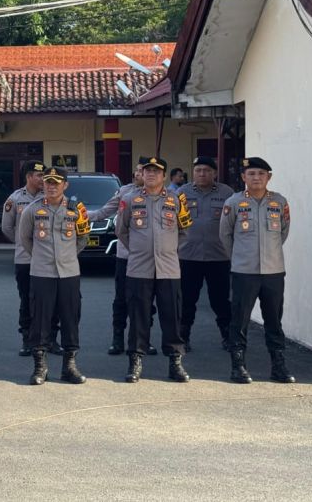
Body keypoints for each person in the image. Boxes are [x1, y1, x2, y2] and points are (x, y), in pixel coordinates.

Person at [117, 156, 192, 383]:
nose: (151, 174)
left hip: (168, 269)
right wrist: (139, 250)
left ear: (164, 176)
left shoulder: (176, 200)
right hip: (139, 268)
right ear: (142, 174)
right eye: (147, 170)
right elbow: (122, 231)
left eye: (156, 171)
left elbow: (184, 232)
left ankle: (175, 361)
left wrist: (168, 250)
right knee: (138, 316)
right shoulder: (129, 199)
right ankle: (136, 360)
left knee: (172, 316)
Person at [220, 157, 294, 384]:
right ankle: (238, 366)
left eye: (261, 174)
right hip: (244, 272)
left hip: (273, 272)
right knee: (239, 320)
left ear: (268, 177)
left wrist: (268, 254)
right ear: (243, 177)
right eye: (251, 174)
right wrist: (240, 258)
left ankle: (278, 366)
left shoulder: (279, 202)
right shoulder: (233, 202)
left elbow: (283, 232)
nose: (256, 178)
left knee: (274, 320)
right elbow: (225, 236)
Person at [19, 167, 90, 385]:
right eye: (48, 182)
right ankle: (40, 368)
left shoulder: (76, 209)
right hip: (42, 273)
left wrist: (67, 256)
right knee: (40, 319)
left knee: (70, 318)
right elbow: (25, 239)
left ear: (65, 185)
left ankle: (69, 366)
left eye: (56, 182)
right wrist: (42, 258)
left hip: (69, 273)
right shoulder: (32, 209)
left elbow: (83, 237)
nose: (51, 186)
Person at [87, 163, 157, 356]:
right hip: (126, 257)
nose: (139, 174)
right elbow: (104, 212)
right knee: (121, 299)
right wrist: (81, 215)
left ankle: (144, 340)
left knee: (146, 301)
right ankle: (117, 339)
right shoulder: (125, 192)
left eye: (143, 171)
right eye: (138, 170)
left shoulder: (164, 196)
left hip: (150, 259)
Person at [1, 160, 63, 356]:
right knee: (27, 300)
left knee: (52, 301)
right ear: (28, 177)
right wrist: (24, 243)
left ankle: (51, 339)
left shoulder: (51, 197)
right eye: (39, 176)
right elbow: (7, 228)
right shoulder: (15, 199)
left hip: (49, 260)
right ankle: (28, 340)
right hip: (25, 260)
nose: (44, 179)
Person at [177, 156, 235, 351]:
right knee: (186, 300)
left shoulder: (227, 193)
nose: (202, 174)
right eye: (198, 170)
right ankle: (183, 337)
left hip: (218, 256)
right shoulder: (182, 193)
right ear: (193, 173)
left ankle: (228, 336)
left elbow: (234, 223)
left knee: (220, 300)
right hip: (188, 256)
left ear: (214, 173)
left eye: (207, 170)